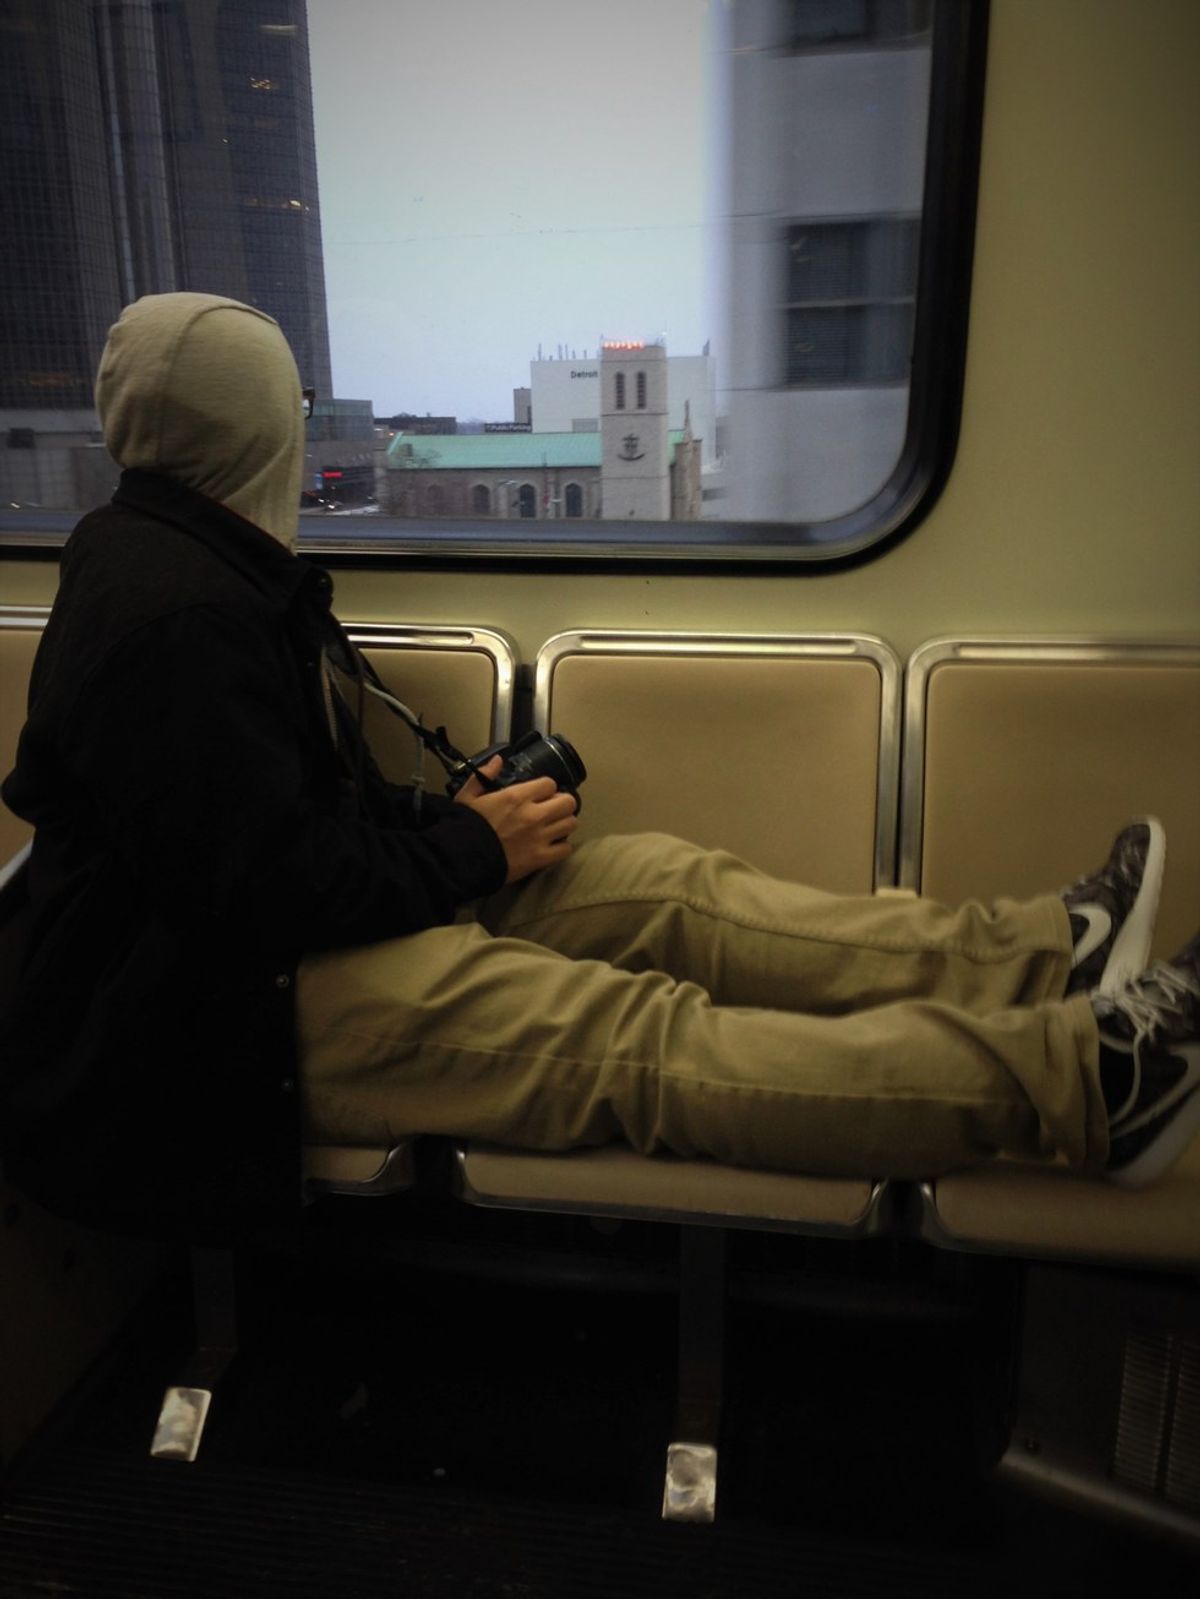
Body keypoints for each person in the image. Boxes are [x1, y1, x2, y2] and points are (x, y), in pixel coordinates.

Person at [2, 293, 1197, 1241]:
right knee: (638, 1038)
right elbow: (259, 888)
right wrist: (465, 851)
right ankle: (1086, 1085)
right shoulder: (175, 617)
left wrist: (448, 823)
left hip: (274, 939)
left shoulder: (204, 566)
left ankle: (1044, 952)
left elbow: (275, 818)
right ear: (259, 430)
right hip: (209, 1017)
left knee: (666, 888)